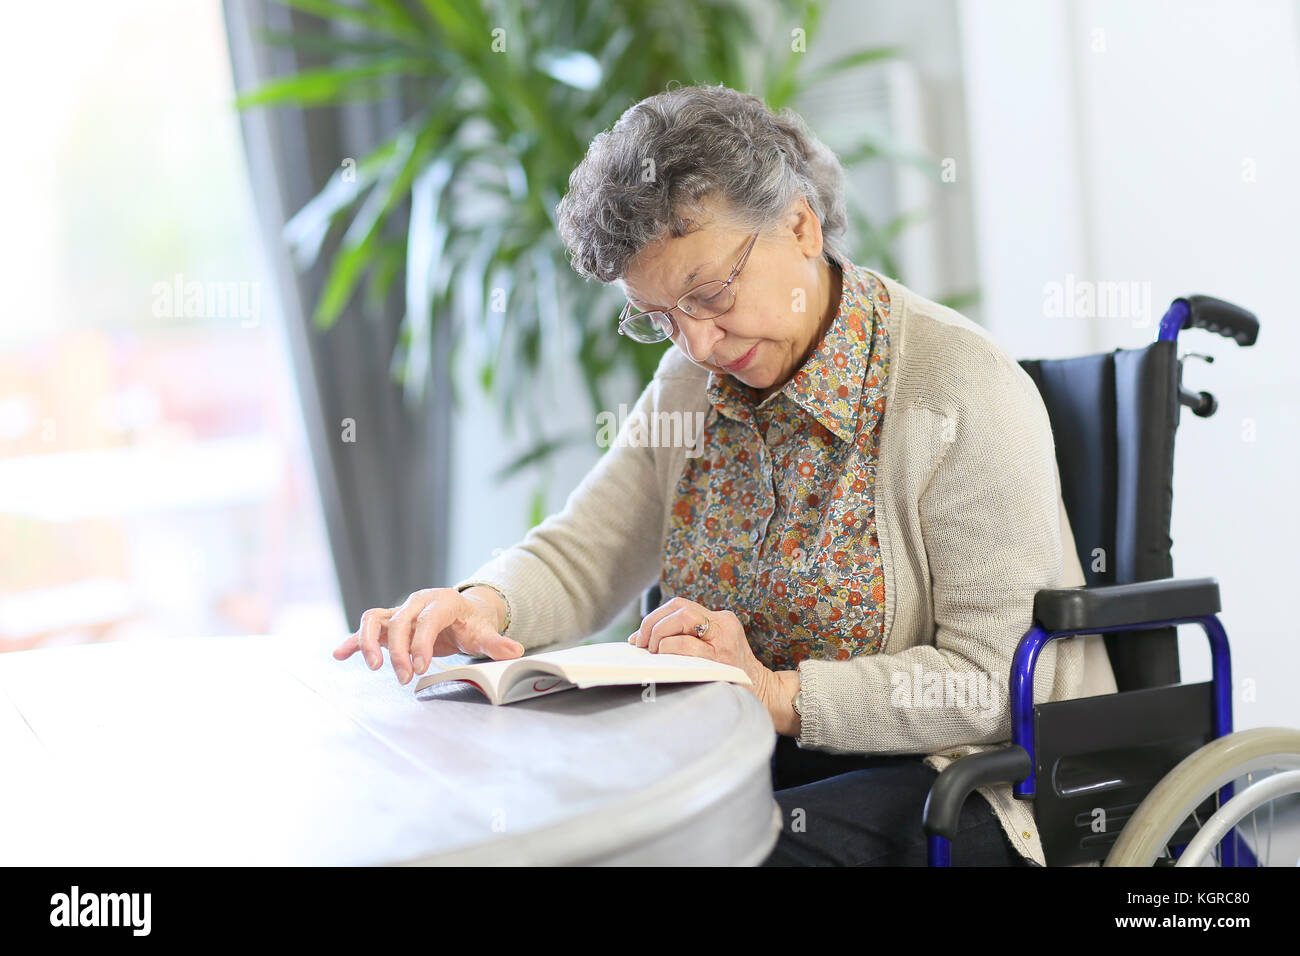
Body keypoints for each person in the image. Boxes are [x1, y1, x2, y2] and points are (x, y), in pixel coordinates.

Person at [332, 83, 1117, 866]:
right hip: (759, 759)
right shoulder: (691, 385)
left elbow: (989, 685)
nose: (698, 344)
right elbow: (588, 550)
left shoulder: (957, 389)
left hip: (967, 783)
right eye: (662, 318)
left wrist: (776, 694)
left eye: (710, 295)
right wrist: (479, 604)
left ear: (801, 227)